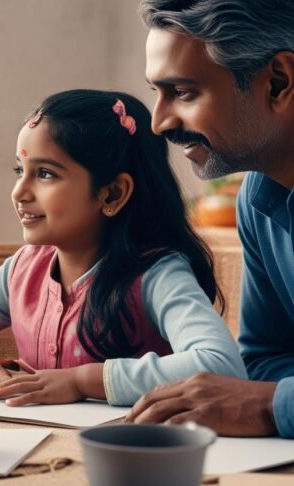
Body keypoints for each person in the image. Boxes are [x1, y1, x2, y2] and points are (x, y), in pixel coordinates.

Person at [0, 89, 247, 407]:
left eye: (46, 174)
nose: (20, 192)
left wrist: (83, 380)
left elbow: (222, 366)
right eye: (19, 170)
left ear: (111, 194)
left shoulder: (156, 274)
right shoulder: (22, 270)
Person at [126, 0, 294, 437]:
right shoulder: (258, 200)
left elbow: (267, 389)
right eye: (156, 93)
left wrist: (272, 405)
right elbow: (266, 359)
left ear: (279, 82)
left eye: (182, 92)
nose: (159, 123)